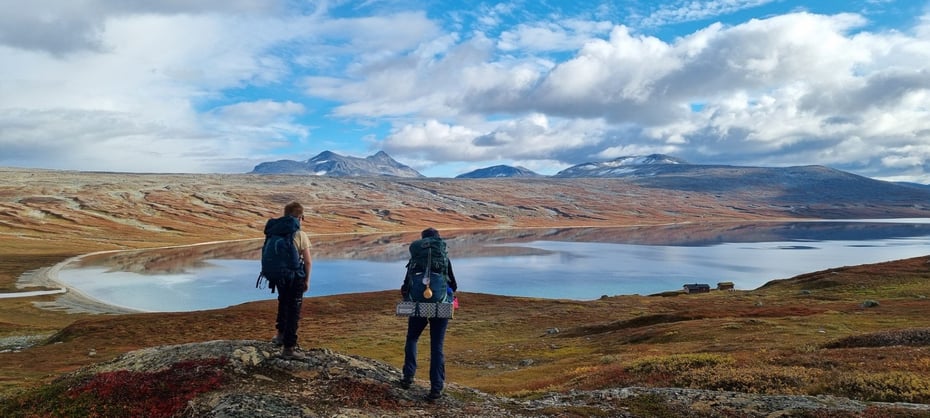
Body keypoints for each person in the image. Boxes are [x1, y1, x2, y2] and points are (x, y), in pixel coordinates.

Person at [399, 227, 458, 401]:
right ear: (438, 240)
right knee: (436, 347)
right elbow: (453, 285)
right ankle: (436, 390)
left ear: (422, 241)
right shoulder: (443, 258)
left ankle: (408, 377)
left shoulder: (415, 260)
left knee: (412, 338)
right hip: (441, 308)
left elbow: (405, 286)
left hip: (418, 307)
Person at [266, 202, 312, 360]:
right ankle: (289, 348)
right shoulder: (300, 234)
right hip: (295, 277)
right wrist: (307, 280)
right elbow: (308, 262)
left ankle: (279, 335)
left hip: (279, 276)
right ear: (300, 217)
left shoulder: (275, 232)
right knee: (294, 310)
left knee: (283, 301)